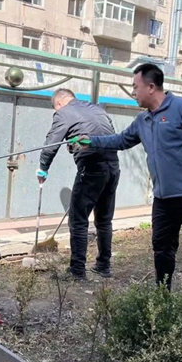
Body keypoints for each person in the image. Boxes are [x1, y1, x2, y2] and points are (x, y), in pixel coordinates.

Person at [75, 64, 182, 290]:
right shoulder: (143, 120)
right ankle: (162, 297)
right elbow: (121, 140)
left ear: (151, 87)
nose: (133, 93)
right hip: (163, 199)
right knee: (162, 250)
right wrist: (91, 141)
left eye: (135, 87)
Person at [38, 88, 120, 280]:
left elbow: (51, 143)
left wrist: (43, 168)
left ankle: (77, 271)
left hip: (91, 169)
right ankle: (103, 266)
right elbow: (110, 136)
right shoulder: (97, 109)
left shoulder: (63, 113)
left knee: (78, 221)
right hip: (113, 168)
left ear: (59, 103)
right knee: (104, 220)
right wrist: (74, 144)